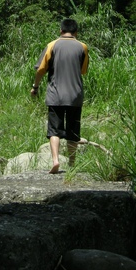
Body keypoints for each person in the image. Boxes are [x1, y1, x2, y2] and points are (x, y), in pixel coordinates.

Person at [31, 18, 89, 174]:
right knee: (73, 131)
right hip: (75, 96)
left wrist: (35, 87)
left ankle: (55, 161)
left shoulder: (52, 45)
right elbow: (83, 71)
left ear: (60, 30)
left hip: (55, 95)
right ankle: (71, 163)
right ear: (76, 32)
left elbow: (40, 70)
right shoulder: (83, 47)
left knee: (54, 130)